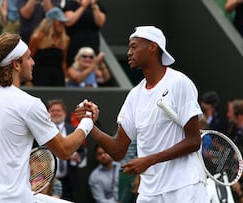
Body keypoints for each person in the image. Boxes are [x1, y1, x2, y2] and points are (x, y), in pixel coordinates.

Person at [0, 33, 96, 203]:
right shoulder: (29, 104)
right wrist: (87, 121)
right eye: (29, 58)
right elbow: (65, 150)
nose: (33, 62)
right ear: (16, 64)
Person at [76, 26, 208, 203]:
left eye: (134, 46)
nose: (129, 52)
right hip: (149, 192)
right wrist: (89, 124)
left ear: (153, 47)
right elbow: (117, 150)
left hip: (184, 186)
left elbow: (193, 141)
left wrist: (150, 160)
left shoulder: (179, 83)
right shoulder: (134, 95)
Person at [47, 99, 86, 201]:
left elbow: (82, 151)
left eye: (58, 110)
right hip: (47, 180)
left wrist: (78, 157)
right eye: (53, 110)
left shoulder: (74, 130)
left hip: (69, 180)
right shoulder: (43, 130)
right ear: (48, 113)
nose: (55, 113)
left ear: (64, 113)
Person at [28, 7, 70, 87]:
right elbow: (28, 58)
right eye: (59, 21)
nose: (62, 24)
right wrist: (28, 81)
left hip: (58, 79)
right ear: (51, 22)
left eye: (63, 22)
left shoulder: (65, 40)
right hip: (39, 78)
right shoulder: (37, 38)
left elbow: (63, 62)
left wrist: (65, 79)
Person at [63, 0, 106, 67]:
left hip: (92, 44)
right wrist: (83, 7)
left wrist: (94, 6)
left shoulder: (97, 5)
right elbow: (68, 22)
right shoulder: (71, 4)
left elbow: (100, 23)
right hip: (74, 44)